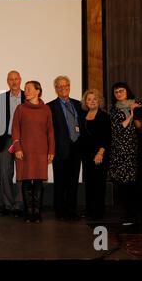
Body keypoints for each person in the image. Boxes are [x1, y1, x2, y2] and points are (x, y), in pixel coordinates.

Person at [12, 81, 54, 223]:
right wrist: (17, 148)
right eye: (25, 89)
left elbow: (50, 132)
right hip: (23, 151)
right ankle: (28, 213)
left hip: (41, 151)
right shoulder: (20, 108)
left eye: (29, 89)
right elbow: (15, 130)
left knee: (37, 181)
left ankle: (37, 213)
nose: (26, 91)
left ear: (38, 91)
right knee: (25, 181)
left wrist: (51, 150)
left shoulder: (46, 109)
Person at [47, 76, 83, 220]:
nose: (63, 88)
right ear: (55, 89)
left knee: (73, 181)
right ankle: (60, 211)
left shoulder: (78, 104)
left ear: (69, 86)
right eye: (59, 86)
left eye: (65, 85)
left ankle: (72, 210)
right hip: (60, 148)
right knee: (60, 181)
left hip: (76, 147)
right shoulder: (50, 107)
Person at [108, 82, 142, 225]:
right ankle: (128, 214)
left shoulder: (137, 104)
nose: (119, 93)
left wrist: (136, 113)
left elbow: (140, 126)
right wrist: (131, 114)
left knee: (137, 183)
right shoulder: (113, 110)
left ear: (127, 91)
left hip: (135, 150)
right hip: (120, 151)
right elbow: (118, 128)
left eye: (121, 90)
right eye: (116, 92)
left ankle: (137, 214)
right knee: (124, 185)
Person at [0, 70, 25, 217]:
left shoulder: (28, 97)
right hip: (5, 140)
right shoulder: (0, 99)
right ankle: (7, 205)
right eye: (10, 79)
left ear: (20, 80)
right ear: (8, 81)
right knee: (5, 173)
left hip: (23, 141)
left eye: (16, 79)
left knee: (21, 173)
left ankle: (19, 204)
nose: (13, 82)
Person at [80, 89, 110, 220]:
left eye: (94, 99)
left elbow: (106, 136)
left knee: (99, 184)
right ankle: (90, 211)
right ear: (85, 102)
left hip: (99, 154)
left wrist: (100, 153)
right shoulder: (83, 116)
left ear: (99, 101)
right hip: (86, 155)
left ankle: (98, 213)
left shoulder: (104, 116)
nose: (92, 101)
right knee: (90, 184)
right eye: (89, 99)